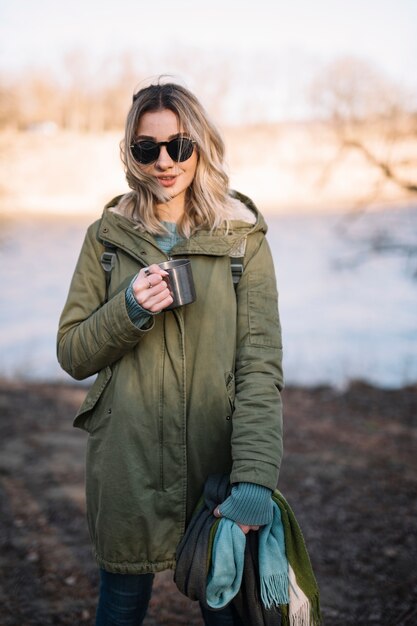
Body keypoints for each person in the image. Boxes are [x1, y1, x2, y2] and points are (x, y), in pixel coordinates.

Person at [57, 80, 284, 626]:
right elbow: (72, 352)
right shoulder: (106, 239)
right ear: (131, 155)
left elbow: (259, 367)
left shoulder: (240, 241)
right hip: (126, 463)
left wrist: (254, 479)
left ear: (200, 144)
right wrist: (129, 308)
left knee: (228, 610)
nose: (165, 161)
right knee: (120, 607)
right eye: (147, 148)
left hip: (214, 464)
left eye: (178, 145)